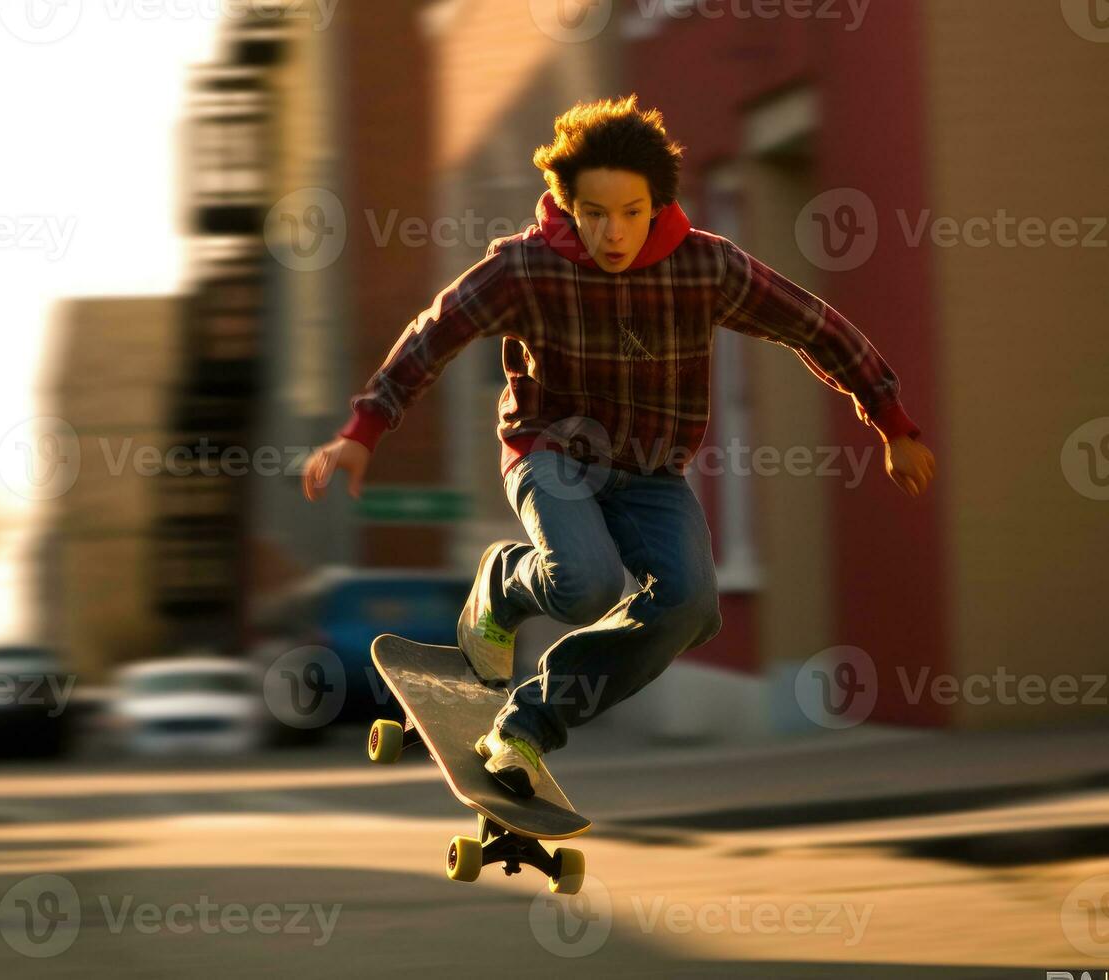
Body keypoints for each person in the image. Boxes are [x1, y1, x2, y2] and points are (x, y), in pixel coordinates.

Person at [301, 95, 936, 798]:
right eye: (594, 213)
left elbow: (813, 326)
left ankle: (529, 727)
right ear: (567, 203)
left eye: (632, 212)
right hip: (552, 453)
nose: (613, 233)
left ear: (658, 204)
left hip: (651, 475)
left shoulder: (706, 269)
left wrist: (890, 418)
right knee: (587, 585)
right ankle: (502, 589)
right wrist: (364, 429)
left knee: (691, 609)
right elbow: (435, 333)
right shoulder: (526, 269)